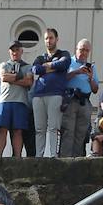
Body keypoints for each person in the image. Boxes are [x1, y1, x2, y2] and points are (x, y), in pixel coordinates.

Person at [31, 29, 70, 158]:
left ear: (56, 39)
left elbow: (64, 64)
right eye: (46, 38)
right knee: (39, 129)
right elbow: (35, 69)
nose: (49, 41)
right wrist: (53, 68)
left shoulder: (63, 53)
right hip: (38, 95)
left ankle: (54, 155)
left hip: (55, 94)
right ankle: (39, 156)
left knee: (54, 127)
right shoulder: (40, 57)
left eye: (51, 38)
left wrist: (47, 66)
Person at [60, 39, 98, 158]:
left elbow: (95, 89)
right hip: (70, 100)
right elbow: (61, 79)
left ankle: (78, 159)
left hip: (85, 101)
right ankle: (66, 159)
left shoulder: (91, 67)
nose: (84, 53)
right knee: (68, 131)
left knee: (82, 132)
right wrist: (77, 71)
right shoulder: (68, 62)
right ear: (76, 49)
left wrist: (91, 78)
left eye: (87, 50)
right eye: (82, 49)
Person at [0, 40, 32, 158]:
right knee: (2, 130)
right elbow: (4, 77)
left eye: (17, 50)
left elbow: (29, 81)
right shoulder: (4, 65)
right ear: (9, 52)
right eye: (12, 50)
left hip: (21, 102)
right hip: (4, 101)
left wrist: (13, 78)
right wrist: (20, 77)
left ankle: (17, 157)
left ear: (21, 51)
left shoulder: (27, 66)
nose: (15, 52)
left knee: (18, 131)